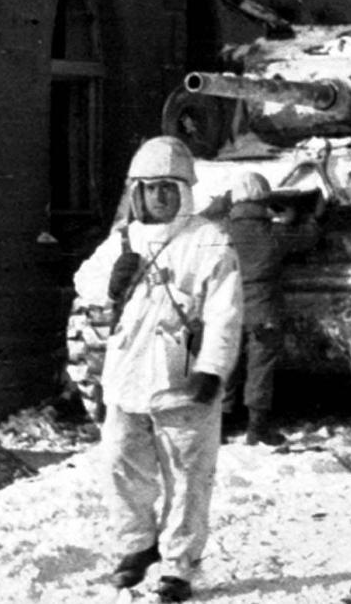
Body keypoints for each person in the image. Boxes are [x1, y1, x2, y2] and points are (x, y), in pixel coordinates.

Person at [71, 137, 243, 602]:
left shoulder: (209, 239)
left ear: (184, 191)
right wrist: (110, 282)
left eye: (169, 187)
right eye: (150, 188)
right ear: (137, 193)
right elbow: (84, 282)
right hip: (128, 371)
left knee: (188, 474)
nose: (160, 196)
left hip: (181, 373)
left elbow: (226, 313)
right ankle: (137, 544)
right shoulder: (123, 239)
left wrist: (211, 368)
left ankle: (179, 566)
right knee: (121, 463)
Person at [207, 172, 317, 447]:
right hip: (263, 313)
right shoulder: (274, 234)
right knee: (260, 369)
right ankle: (257, 428)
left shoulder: (221, 234)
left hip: (228, 310)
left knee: (228, 366)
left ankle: (217, 426)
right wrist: (311, 216)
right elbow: (309, 238)